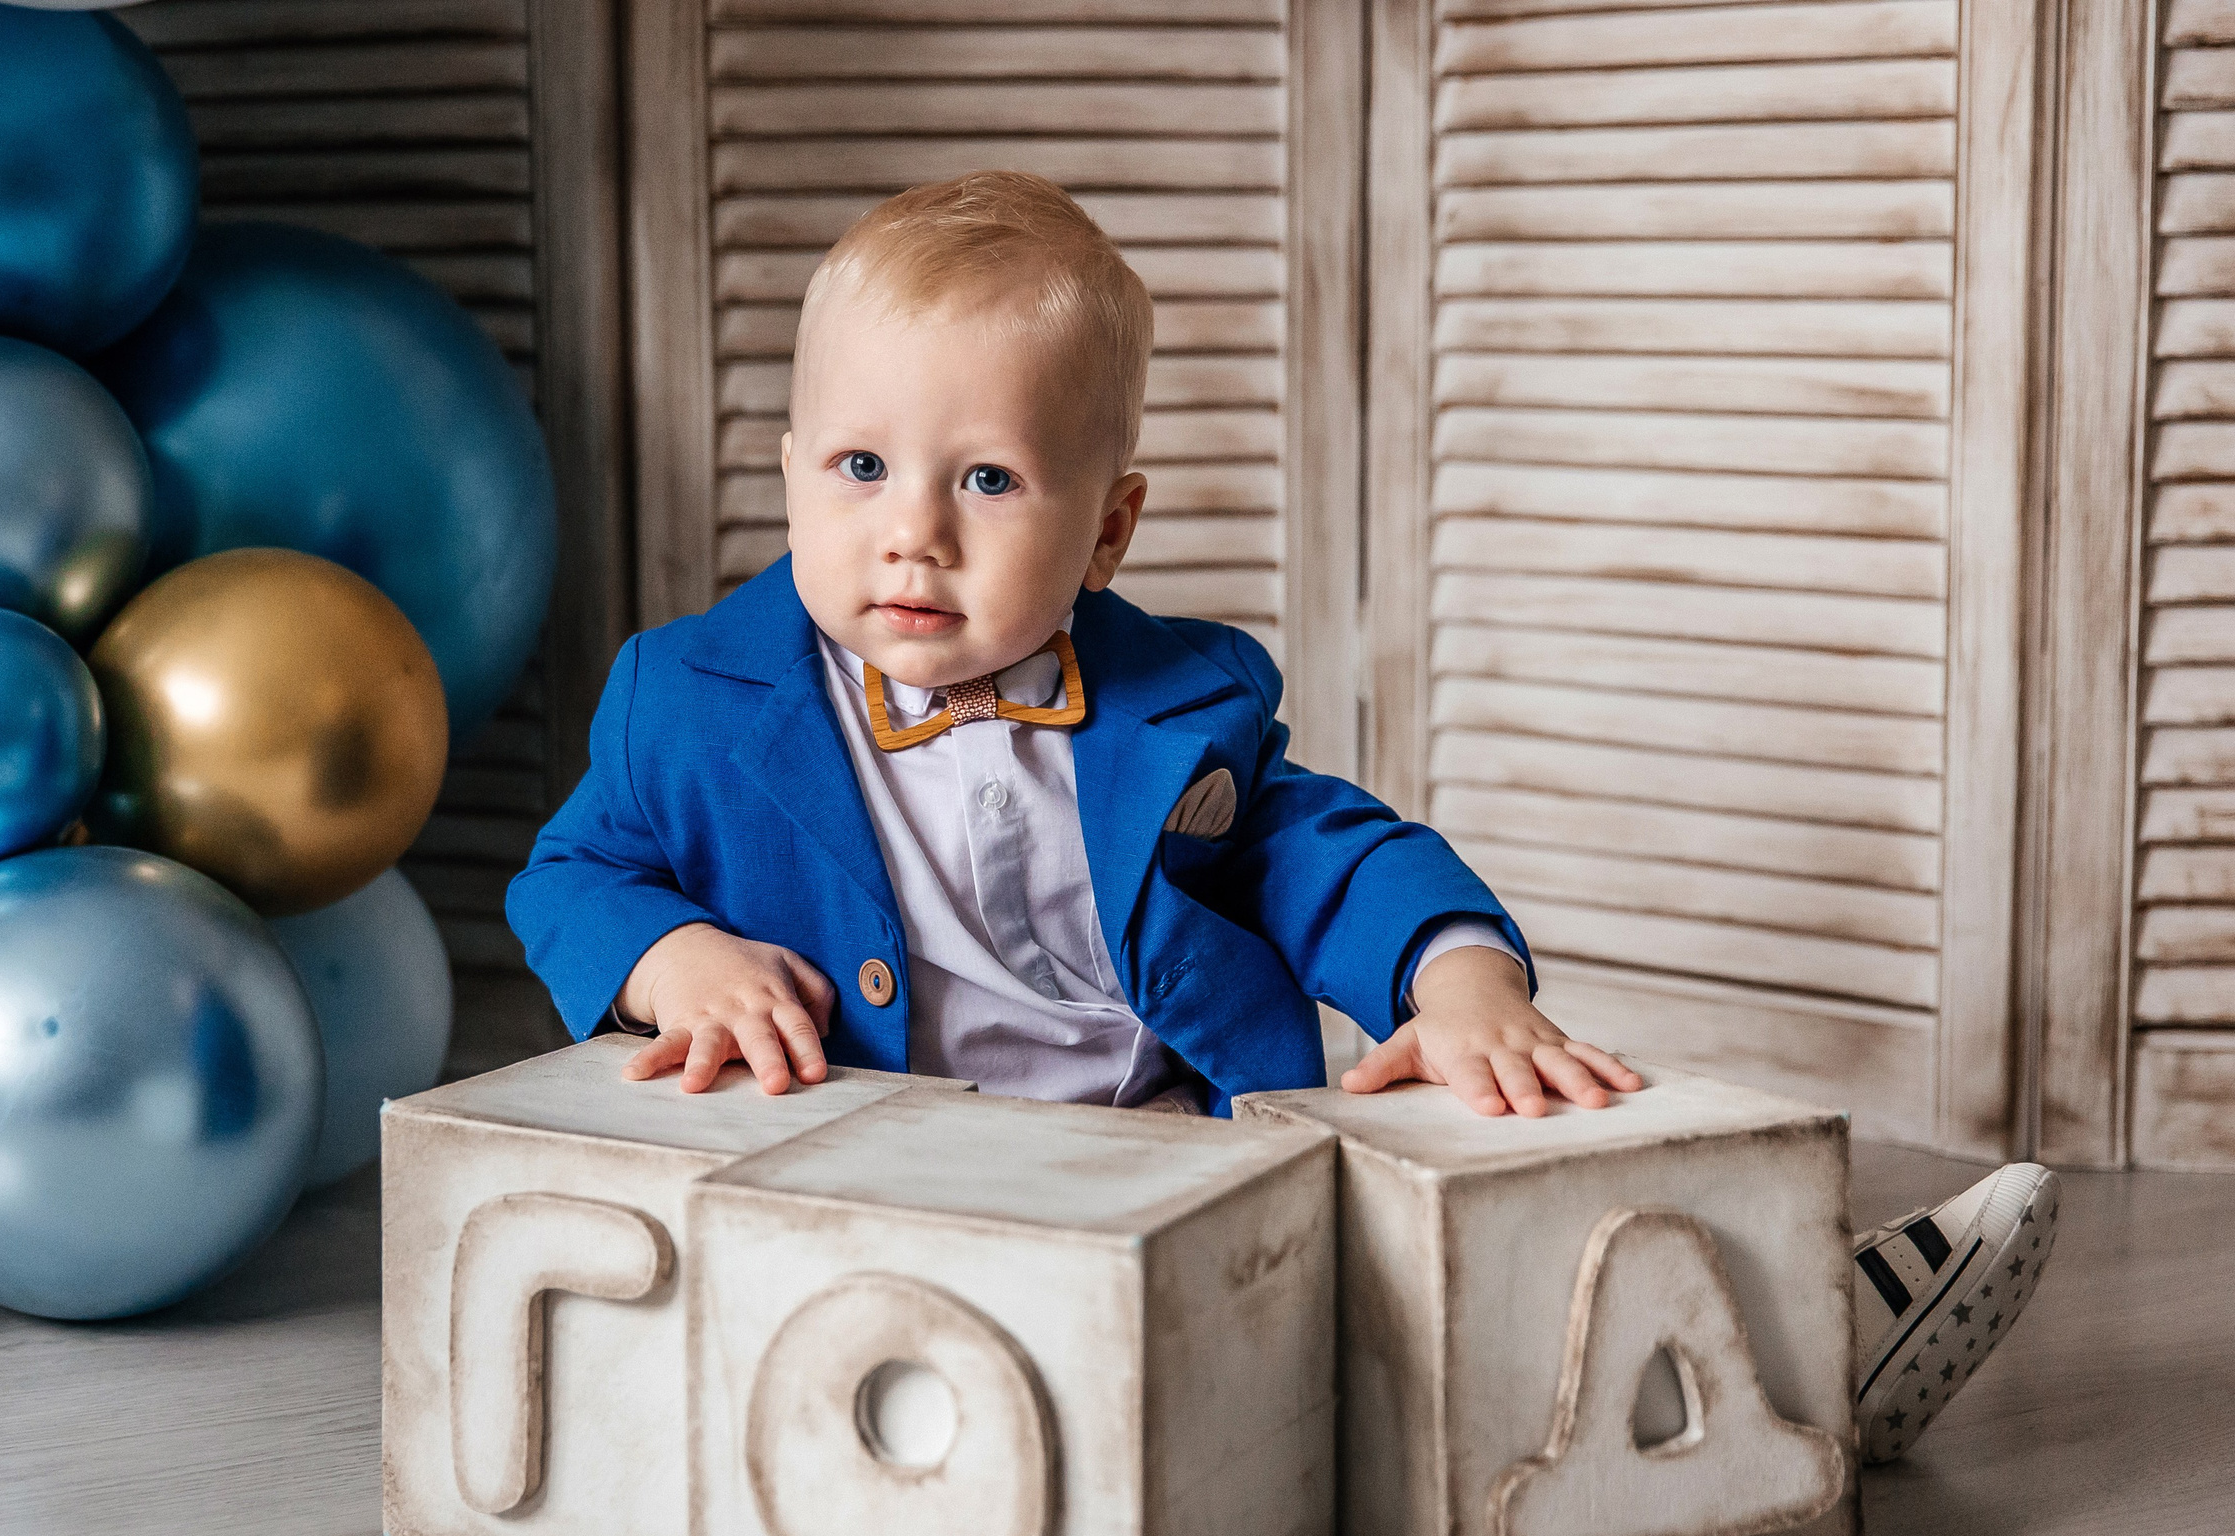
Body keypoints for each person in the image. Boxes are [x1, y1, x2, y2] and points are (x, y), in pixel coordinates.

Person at [510, 170, 2054, 1461]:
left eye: (986, 479)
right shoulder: (692, 705)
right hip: (903, 1194)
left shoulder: (1186, 703)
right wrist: (675, 954)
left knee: (1486, 1153)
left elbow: (1325, 851)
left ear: (1109, 523)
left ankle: (1796, 1334)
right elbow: (572, 871)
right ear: (790, 479)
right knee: (1352, 1369)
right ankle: (1731, 1397)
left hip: (1184, 1152)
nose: (908, 531)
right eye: (860, 468)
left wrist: (1458, 976)